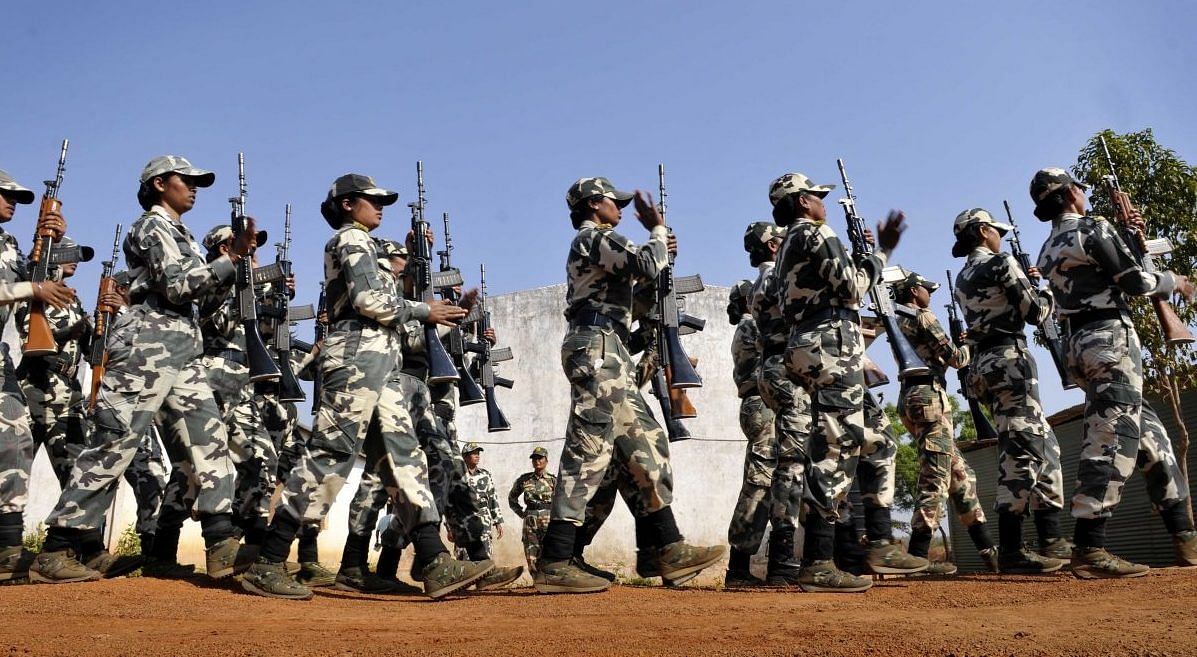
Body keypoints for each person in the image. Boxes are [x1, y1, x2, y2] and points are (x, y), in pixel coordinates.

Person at [240, 173, 491, 600]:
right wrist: (421, 310)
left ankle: (433, 560)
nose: (380, 207)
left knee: (403, 458)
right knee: (330, 455)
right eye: (371, 200)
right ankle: (268, 559)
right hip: (355, 359)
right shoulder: (351, 241)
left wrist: (421, 283)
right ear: (346, 204)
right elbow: (368, 301)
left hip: (381, 362)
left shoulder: (368, 245)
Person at [30, 155, 249, 584]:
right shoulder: (151, 226)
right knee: (115, 446)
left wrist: (233, 272)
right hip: (146, 350)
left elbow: (200, 301)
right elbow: (177, 285)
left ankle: (222, 545)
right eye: (186, 180)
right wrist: (228, 261)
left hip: (183, 349)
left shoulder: (179, 233)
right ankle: (57, 548)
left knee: (210, 441)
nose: (194, 187)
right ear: (159, 184)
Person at [534, 176, 724, 594]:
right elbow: (641, 264)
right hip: (596, 347)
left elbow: (628, 297)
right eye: (612, 202)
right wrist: (656, 234)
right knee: (590, 449)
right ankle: (555, 560)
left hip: (609, 346)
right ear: (592, 205)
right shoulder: (594, 237)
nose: (619, 208)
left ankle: (665, 548)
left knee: (639, 446)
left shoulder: (600, 244)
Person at [1032, 167, 1197, 578]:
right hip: (1109, 341)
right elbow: (1135, 282)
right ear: (1071, 192)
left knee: (1152, 440)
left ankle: (1187, 539)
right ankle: (1090, 546)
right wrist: (1174, 281)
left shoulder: (1048, 247)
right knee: (1111, 438)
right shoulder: (1091, 228)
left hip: (1082, 345)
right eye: (1081, 190)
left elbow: (1106, 274)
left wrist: (1128, 236)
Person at [769, 171, 927, 592]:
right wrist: (881, 254)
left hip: (816, 344)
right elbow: (854, 288)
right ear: (802, 202)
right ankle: (818, 562)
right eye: (817, 196)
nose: (822, 202)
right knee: (835, 447)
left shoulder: (788, 244)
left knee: (879, 441)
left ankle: (879, 542)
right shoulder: (816, 232)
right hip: (830, 346)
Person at [951, 207, 1071, 571]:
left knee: (1044, 446)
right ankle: (1014, 549)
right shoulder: (1001, 263)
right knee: (1022, 449)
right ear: (984, 230)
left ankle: (1052, 539)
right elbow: (1035, 312)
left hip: (987, 364)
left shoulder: (963, 276)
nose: (1000, 237)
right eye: (996, 231)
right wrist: (1045, 289)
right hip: (1009, 360)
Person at [891, 269, 1002, 575]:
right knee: (935, 478)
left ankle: (989, 553)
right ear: (915, 292)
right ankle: (916, 558)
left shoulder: (898, 322)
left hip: (914, 397)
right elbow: (955, 358)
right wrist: (973, 343)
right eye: (927, 289)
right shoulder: (923, 317)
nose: (930, 295)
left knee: (961, 476)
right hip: (930, 398)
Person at [0, 168, 75, 581]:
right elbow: (26, 290)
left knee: (15, 441)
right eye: (6, 195)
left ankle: (8, 548)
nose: (13, 202)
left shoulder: (8, 244)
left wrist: (53, 242)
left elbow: (38, 283)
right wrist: (32, 289)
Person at [738, 219, 809, 586]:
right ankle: (771, 561)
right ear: (771, 246)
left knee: (768, 475)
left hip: (762, 397)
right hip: (767, 398)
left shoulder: (758, 301)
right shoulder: (771, 291)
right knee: (771, 473)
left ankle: (747, 563)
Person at [15, 236, 93, 490]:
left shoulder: (73, 299)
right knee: (13, 476)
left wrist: (98, 328)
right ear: (55, 257)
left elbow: (90, 351)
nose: (77, 261)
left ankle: (69, 530)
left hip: (68, 396)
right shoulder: (35, 291)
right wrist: (66, 334)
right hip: (36, 390)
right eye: (70, 254)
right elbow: (30, 339)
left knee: (79, 479)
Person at [508, 446, 556, 575]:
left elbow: (561, 501)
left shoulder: (553, 480)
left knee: (549, 549)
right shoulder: (524, 479)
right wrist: (521, 513)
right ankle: (536, 579)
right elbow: (512, 498)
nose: (537, 461)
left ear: (546, 460)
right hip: (530, 519)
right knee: (531, 551)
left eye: (540, 458)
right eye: (534, 458)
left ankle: (548, 578)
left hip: (548, 519)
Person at [460, 443, 504, 559]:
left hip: (484, 517)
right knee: (464, 554)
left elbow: (492, 498)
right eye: (473, 453)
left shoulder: (485, 474)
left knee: (485, 551)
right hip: (465, 517)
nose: (477, 456)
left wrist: (497, 521)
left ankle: (484, 575)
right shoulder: (457, 475)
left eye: (478, 453)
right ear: (465, 456)